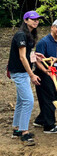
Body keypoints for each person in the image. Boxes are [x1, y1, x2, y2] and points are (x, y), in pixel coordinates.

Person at [8, 11, 41, 146]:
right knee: (29, 100)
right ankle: (24, 132)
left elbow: (27, 53)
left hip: (23, 72)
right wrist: (32, 75)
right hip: (19, 72)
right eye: (32, 19)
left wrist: (36, 56)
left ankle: (16, 128)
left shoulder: (30, 34)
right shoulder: (21, 34)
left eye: (37, 19)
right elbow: (22, 57)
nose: (36, 21)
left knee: (22, 101)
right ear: (25, 20)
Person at [33, 18, 57, 134]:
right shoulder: (43, 42)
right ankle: (49, 126)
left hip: (53, 73)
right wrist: (46, 71)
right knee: (49, 99)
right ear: (52, 27)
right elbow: (37, 61)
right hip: (43, 74)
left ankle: (41, 120)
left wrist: (56, 59)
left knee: (52, 97)